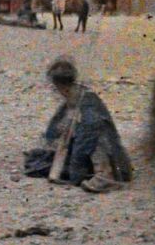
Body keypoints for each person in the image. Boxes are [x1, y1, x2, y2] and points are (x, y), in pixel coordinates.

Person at [22, 57, 131, 191]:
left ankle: (105, 176)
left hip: (105, 157)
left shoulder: (88, 103)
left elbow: (88, 137)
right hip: (82, 154)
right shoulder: (73, 99)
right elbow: (54, 132)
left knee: (94, 133)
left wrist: (77, 171)